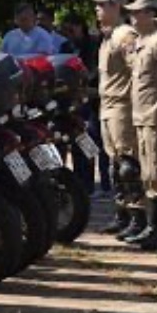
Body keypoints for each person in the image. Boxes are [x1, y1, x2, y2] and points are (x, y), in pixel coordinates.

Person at [122, 0, 157, 250]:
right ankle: (153, 226)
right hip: (140, 117)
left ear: (151, 14)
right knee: (148, 175)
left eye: (138, 12)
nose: (132, 16)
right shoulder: (140, 43)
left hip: (155, 118)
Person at [91, 0, 140, 234]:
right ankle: (121, 214)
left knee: (128, 164)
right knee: (115, 164)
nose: (97, 10)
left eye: (102, 5)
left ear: (116, 7)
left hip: (122, 105)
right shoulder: (108, 36)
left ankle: (137, 216)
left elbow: (138, 71)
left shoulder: (124, 35)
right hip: (108, 105)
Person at [61, 13, 107, 194]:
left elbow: (98, 68)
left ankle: (105, 183)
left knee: (98, 142)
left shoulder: (94, 43)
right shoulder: (65, 46)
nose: (69, 32)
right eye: (65, 29)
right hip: (75, 101)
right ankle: (83, 184)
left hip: (94, 98)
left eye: (72, 27)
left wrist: (89, 83)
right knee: (80, 141)